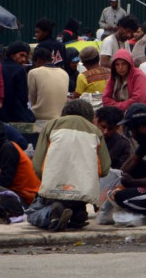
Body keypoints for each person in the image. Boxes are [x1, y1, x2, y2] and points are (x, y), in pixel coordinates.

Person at [28, 99, 110, 231]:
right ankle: (79, 212)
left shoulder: (51, 126)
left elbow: (37, 165)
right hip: (84, 193)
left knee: (32, 213)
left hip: (54, 191)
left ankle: (52, 214)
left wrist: (48, 181)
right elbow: (105, 169)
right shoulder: (95, 131)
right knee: (77, 200)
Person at [102, 48, 146, 115]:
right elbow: (105, 98)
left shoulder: (139, 76)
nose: (120, 68)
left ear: (129, 64)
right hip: (117, 113)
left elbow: (138, 100)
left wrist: (116, 106)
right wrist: (117, 107)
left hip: (139, 114)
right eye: (117, 65)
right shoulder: (114, 77)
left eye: (123, 64)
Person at [0, 42, 36, 124]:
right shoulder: (19, 70)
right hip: (14, 113)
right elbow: (23, 97)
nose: (24, 60)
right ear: (12, 54)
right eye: (21, 55)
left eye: (26, 57)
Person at [28, 47, 69, 121]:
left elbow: (32, 100)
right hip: (60, 117)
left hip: (39, 117)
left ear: (38, 60)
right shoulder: (64, 73)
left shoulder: (33, 73)